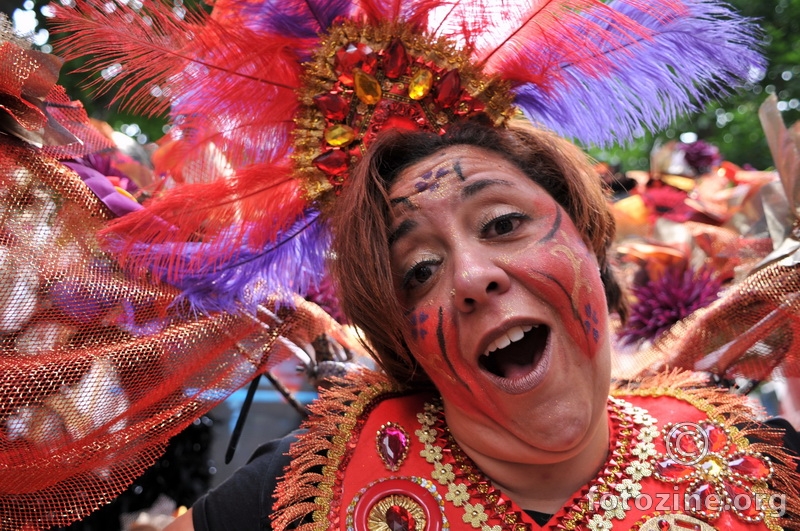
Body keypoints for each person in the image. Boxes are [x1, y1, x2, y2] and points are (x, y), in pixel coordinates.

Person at [165, 119, 800, 531]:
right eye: (419, 270)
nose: (471, 277)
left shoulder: (758, 464)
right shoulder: (298, 495)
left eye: (501, 225)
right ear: (402, 339)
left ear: (587, 237)